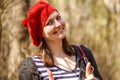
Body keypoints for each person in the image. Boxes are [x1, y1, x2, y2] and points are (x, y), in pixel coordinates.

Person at [19, 0, 102, 80]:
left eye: (58, 18)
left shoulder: (84, 54)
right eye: (49, 23)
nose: (58, 24)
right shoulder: (32, 68)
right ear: (40, 33)